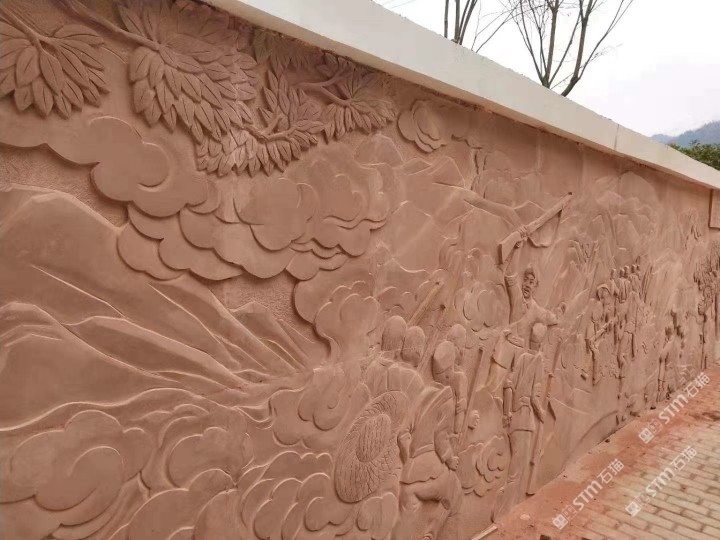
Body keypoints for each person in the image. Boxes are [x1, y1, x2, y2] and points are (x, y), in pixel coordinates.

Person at [394, 341, 463, 540]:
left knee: (405, 523)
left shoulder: (423, 394)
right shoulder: (446, 398)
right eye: (453, 369)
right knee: (453, 491)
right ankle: (431, 535)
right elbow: (440, 437)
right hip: (429, 469)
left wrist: (409, 458)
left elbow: (403, 432)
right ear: (448, 373)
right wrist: (449, 458)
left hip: (409, 473)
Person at [495, 348, 546, 516]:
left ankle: (510, 504)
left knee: (517, 468)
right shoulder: (536, 363)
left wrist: (507, 413)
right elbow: (534, 398)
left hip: (516, 422)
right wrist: (542, 413)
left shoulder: (514, 374)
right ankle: (505, 508)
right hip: (524, 421)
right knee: (518, 469)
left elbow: (508, 388)